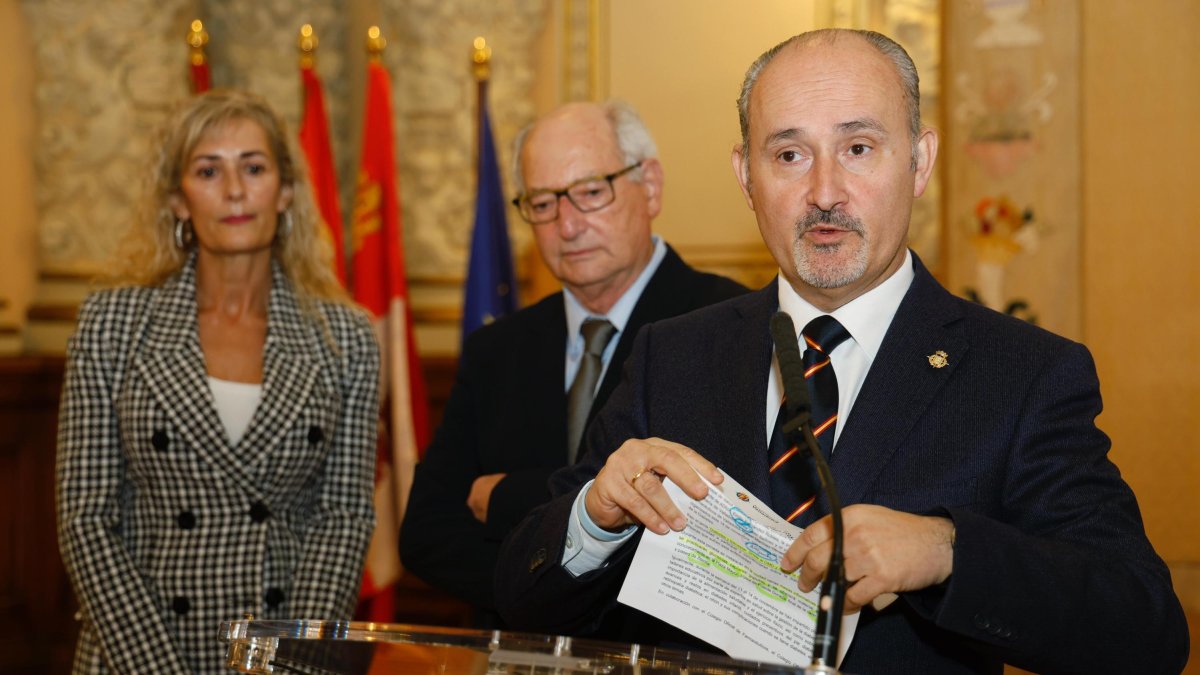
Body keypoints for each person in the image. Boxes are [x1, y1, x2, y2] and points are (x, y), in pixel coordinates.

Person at [494, 29, 1189, 674]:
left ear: (919, 162)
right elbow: (522, 600)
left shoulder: (1022, 374)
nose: (824, 192)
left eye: (858, 148)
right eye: (789, 155)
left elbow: (1144, 629)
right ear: (746, 177)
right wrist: (594, 516)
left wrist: (948, 551)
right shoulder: (670, 354)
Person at [55, 90, 380, 674]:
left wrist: (288, 664)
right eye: (209, 170)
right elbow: (86, 518)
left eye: (253, 168)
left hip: (279, 653)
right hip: (140, 650)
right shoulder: (113, 324)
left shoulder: (346, 338)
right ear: (179, 200)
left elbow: (343, 518)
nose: (234, 190)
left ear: (284, 192)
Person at [399, 100, 747, 625]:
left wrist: (509, 497)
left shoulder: (727, 325)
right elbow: (426, 533)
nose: (566, 225)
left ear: (649, 185)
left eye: (589, 192)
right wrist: (546, 587)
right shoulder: (498, 348)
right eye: (542, 203)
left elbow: (713, 533)